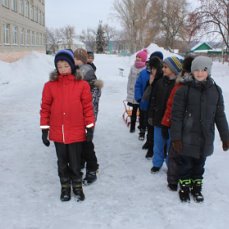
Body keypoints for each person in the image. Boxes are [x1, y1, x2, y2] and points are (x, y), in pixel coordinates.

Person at [171, 56, 229, 202]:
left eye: (203, 70)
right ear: (192, 71)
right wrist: (176, 137)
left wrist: (225, 137)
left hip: (205, 138)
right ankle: (184, 188)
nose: (199, 73)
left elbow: (220, 116)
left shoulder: (216, 91)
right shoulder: (183, 90)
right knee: (185, 166)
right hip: (186, 137)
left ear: (208, 71)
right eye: (196, 69)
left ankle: (196, 189)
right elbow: (176, 116)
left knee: (199, 166)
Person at [40, 49, 95, 201]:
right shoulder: (50, 86)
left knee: (76, 162)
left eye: (66, 65)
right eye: (60, 66)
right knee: (62, 163)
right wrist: (45, 130)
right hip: (58, 133)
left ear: (72, 65)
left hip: (76, 132)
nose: (63, 69)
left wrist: (89, 128)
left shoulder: (82, 85)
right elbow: (45, 108)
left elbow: (87, 108)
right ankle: (65, 187)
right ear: (56, 67)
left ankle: (77, 186)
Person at [161, 55, 194, 191]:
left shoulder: (202, 86)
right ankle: (173, 180)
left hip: (193, 127)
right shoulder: (179, 85)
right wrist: (165, 123)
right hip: (178, 125)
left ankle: (187, 178)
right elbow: (170, 106)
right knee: (175, 153)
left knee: (190, 154)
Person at [74, 48, 103, 185]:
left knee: (86, 144)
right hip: (79, 118)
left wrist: (89, 121)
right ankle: (80, 162)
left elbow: (90, 104)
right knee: (79, 143)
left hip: (87, 118)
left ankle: (92, 168)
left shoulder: (90, 81)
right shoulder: (81, 76)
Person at [148, 56, 182, 173]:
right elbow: (153, 100)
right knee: (158, 144)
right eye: (163, 66)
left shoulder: (179, 86)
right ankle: (157, 163)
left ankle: (170, 164)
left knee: (170, 146)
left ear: (173, 69)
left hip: (172, 123)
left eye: (166, 67)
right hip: (158, 119)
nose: (163, 69)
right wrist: (151, 115)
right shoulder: (159, 83)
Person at [135, 51, 163, 140]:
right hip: (144, 101)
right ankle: (142, 131)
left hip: (154, 104)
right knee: (142, 118)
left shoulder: (161, 75)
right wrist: (138, 97)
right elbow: (138, 85)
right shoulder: (144, 72)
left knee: (150, 121)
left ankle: (149, 138)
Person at [142, 56, 163, 159]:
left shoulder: (161, 79)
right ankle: (149, 145)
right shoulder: (152, 78)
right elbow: (146, 94)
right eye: (151, 69)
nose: (151, 71)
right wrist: (149, 84)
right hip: (150, 107)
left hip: (157, 109)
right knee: (149, 128)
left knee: (154, 131)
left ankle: (152, 149)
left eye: (153, 69)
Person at [126, 49, 147, 133]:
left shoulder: (145, 68)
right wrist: (128, 90)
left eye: (140, 57)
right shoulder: (132, 67)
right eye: (137, 57)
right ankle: (132, 126)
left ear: (144, 59)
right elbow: (129, 79)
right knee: (134, 110)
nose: (138, 58)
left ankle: (141, 128)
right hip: (133, 92)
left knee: (141, 112)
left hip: (141, 94)